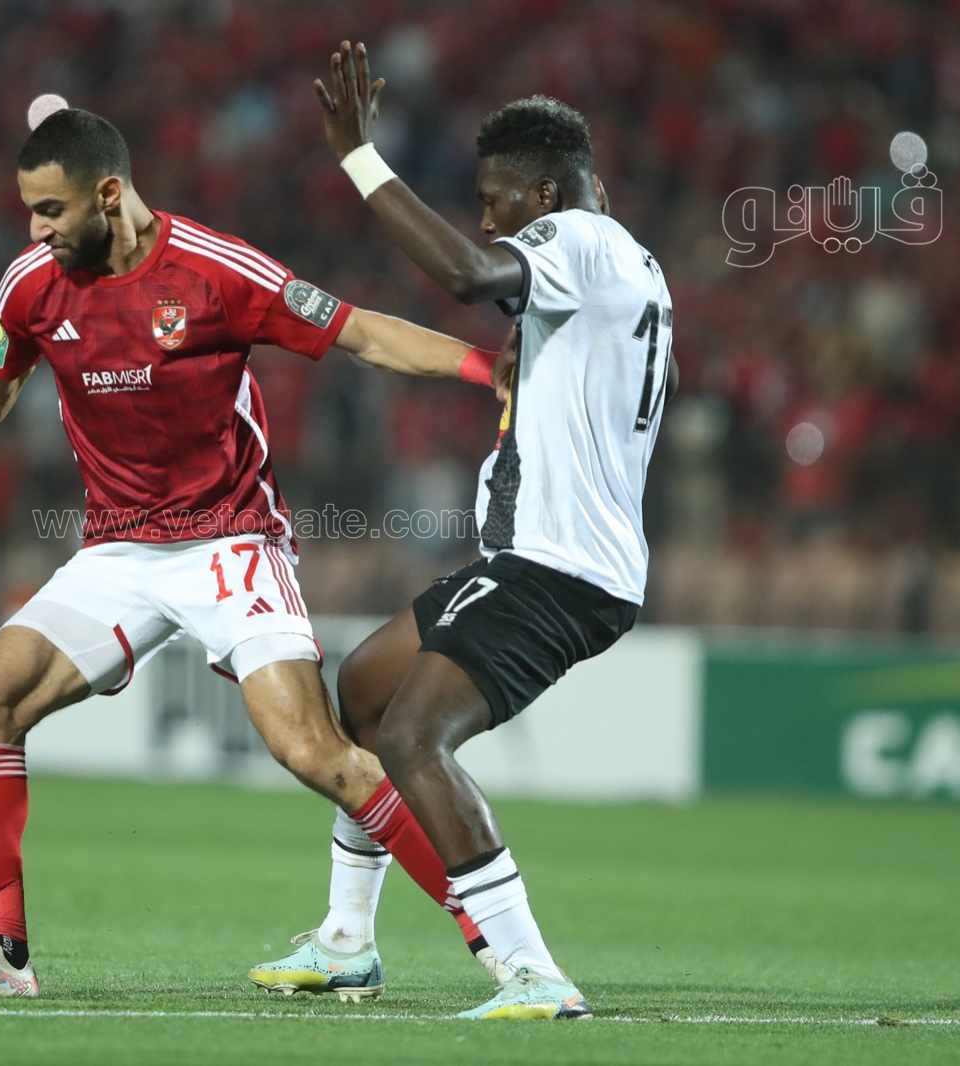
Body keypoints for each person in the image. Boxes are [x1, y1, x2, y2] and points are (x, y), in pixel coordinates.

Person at [0, 105, 502, 999]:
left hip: (230, 541)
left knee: (317, 753)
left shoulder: (217, 272)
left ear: (109, 194)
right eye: (28, 210)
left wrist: (486, 369)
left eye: (50, 210)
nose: (33, 231)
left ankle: (501, 942)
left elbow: (361, 333)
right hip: (117, 551)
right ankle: (1, 957)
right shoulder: (31, 286)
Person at [252, 43, 676, 1021]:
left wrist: (359, 156)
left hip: (558, 567)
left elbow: (464, 272)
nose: (487, 219)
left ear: (546, 193)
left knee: (413, 735)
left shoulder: (576, 238)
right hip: (544, 557)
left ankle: (531, 972)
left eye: (495, 200)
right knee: (365, 687)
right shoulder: (629, 265)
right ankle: (347, 941)